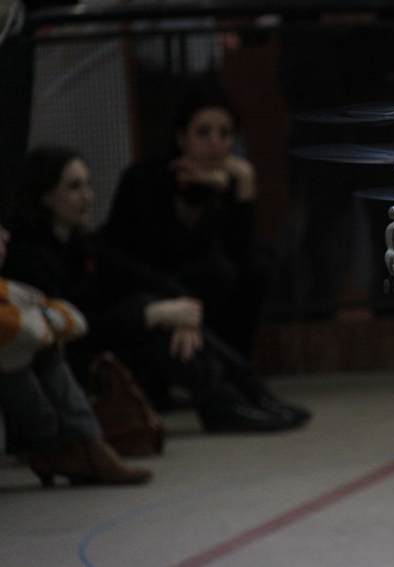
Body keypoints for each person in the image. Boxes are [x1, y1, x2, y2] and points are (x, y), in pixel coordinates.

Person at [2, 146, 310, 433]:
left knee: (163, 309)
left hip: (105, 345)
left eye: (87, 185)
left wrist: (181, 309)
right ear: (45, 195)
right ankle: (223, 402)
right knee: (150, 318)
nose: (87, 196)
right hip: (65, 361)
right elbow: (70, 327)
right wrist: (149, 314)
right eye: (74, 187)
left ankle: (249, 392)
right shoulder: (27, 256)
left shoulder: (82, 246)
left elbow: (143, 276)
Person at [100, 81, 269, 359]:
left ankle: (236, 364)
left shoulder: (225, 183)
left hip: (198, 288)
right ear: (182, 138)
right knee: (218, 276)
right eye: (204, 132)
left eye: (225, 133)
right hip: (144, 285)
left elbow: (245, 256)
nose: (215, 142)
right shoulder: (146, 179)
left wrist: (244, 186)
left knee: (254, 271)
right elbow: (137, 255)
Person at [0, 221, 152, 486]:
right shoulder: (26, 263)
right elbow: (28, 330)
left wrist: (41, 321)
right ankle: (62, 447)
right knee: (18, 352)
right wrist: (44, 320)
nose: (5, 235)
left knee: (38, 349)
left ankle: (84, 444)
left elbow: (73, 319)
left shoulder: (8, 288)